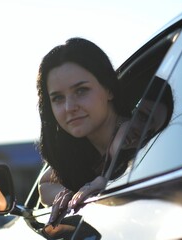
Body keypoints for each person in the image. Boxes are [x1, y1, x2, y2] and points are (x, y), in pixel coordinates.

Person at [36, 37, 131, 229]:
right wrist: (73, 194)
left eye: (81, 91)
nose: (69, 107)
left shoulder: (136, 135)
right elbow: (44, 185)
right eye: (58, 98)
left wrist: (107, 189)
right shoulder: (80, 150)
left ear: (109, 89)